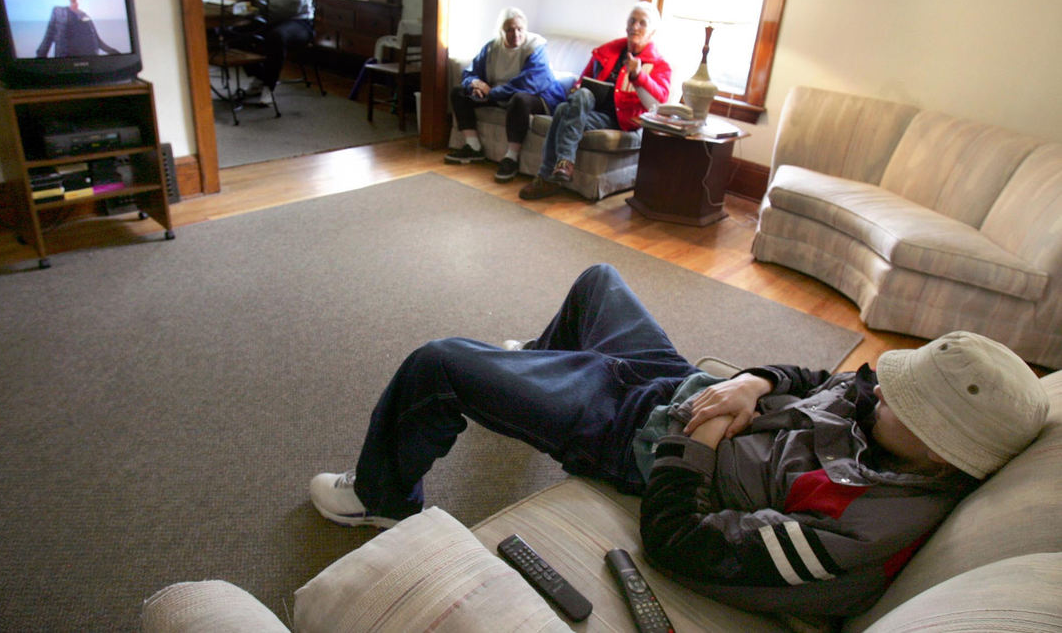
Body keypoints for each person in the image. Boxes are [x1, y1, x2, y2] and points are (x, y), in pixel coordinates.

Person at [309, 263, 1050, 617]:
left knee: (437, 362)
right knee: (597, 282)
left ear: (941, 448)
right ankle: (535, 372)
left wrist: (697, 443)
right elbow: (825, 375)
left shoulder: (853, 534)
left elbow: (675, 538)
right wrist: (753, 384)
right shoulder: (894, 426)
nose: (880, 387)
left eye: (903, 396)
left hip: (636, 437)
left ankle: (380, 497)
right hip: (687, 387)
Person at [518, 2, 671, 200]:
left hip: (620, 119)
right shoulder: (607, 52)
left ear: (652, 31)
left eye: (642, 23)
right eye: (632, 21)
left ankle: (547, 176)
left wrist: (639, 74)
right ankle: (562, 165)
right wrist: (577, 87)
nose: (635, 27)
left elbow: (658, 102)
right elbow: (583, 79)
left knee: (564, 110)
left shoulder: (660, 65)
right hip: (590, 109)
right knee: (579, 97)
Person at [444, 8, 566, 183]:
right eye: (509, 29)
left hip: (538, 96)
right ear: (502, 31)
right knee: (459, 93)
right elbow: (470, 72)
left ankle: (511, 158)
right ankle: (473, 146)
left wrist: (492, 93)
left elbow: (529, 83)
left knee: (519, 99)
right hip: (500, 93)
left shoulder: (536, 47)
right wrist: (475, 85)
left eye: (519, 29)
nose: (515, 34)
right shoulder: (492, 48)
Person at [234, 0, 314, 105]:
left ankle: (268, 86)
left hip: (299, 22)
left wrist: (262, 5)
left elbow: (293, 6)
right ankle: (260, 77)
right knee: (235, 34)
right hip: (271, 18)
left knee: (276, 37)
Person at [36, 0, 120, 58]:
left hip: (89, 60)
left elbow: (97, 41)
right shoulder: (58, 11)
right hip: (65, 62)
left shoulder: (87, 17)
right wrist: (40, 57)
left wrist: (114, 52)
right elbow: (48, 36)